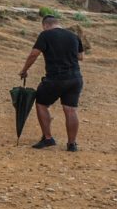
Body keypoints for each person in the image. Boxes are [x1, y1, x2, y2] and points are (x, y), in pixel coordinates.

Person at [20, 14, 84, 151]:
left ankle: (48, 138)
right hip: (75, 78)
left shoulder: (45, 35)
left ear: (45, 25)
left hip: (55, 78)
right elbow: (81, 57)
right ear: (58, 23)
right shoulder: (73, 36)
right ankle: (72, 144)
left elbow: (34, 54)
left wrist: (24, 70)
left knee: (41, 103)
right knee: (70, 109)